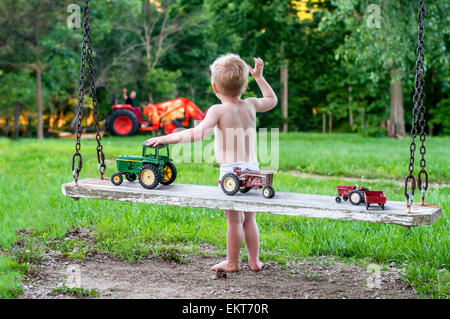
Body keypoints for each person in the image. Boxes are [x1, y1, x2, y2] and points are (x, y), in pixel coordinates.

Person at [145, 54, 278, 272]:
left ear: (214, 87)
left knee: (235, 221)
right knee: (250, 219)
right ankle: (254, 261)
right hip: (253, 170)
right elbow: (272, 100)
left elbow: (197, 134)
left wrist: (167, 138)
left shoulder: (217, 110)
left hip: (231, 174)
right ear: (245, 85)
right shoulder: (251, 105)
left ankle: (232, 262)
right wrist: (259, 77)